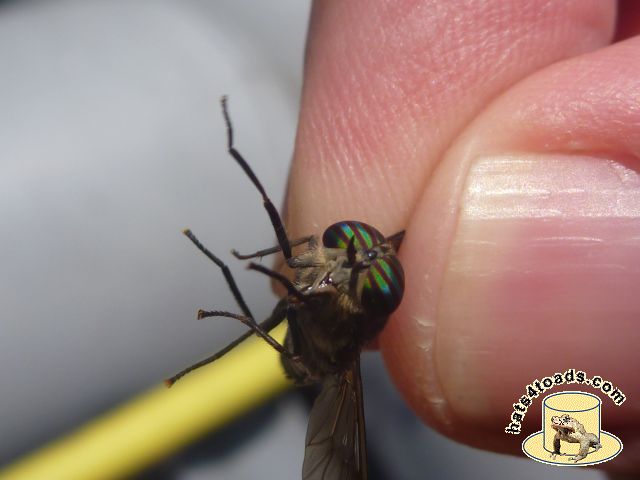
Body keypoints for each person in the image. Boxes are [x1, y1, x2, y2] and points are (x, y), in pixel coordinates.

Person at [284, 0, 640, 474]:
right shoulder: (332, 273)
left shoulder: (345, 323)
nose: (353, 259)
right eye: (347, 242)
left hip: (313, 354)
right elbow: (302, 261)